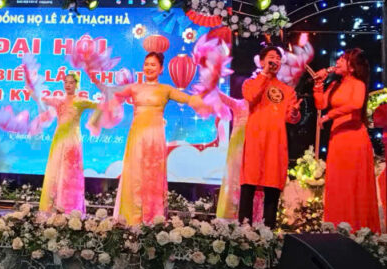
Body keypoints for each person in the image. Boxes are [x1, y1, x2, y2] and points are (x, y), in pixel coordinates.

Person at [100, 52, 210, 226]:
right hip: (137, 137)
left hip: (155, 139)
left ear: (161, 69)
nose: (149, 67)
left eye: (153, 65)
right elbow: (111, 91)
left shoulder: (166, 89)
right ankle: (131, 218)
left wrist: (207, 95)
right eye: (146, 64)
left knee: (153, 176)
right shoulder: (135, 87)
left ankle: (152, 218)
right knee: (134, 174)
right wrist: (94, 74)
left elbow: (189, 99)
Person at [314, 48, 379, 231]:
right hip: (337, 138)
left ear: (351, 67)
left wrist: (330, 115)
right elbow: (321, 103)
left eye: (343, 59)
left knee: (353, 183)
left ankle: (357, 227)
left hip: (354, 137)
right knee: (338, 183)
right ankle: (336, 226)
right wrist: (319, 84)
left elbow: (356, 104)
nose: (338, 62)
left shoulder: (358, 84)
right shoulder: (335, 84)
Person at [239, 47, 301, 227]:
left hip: (276, 143)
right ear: (261, 61)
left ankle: (268, 231)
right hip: (255, 141)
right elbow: (251, 97)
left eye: (278, 58)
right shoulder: (250, 83)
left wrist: (295, 112)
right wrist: (264, 74)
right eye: (271, 57)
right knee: (249, 183)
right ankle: (243, 229)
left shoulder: (287, 90)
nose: (275, 61)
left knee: (272, 184)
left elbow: (291, 118)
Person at [37, 72, 97, 214]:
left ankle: (70, 206)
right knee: (56, 169)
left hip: (73, 141)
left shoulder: (80, 101)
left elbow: (99, 105)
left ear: (77, 84)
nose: (68, 85)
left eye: (71, 82)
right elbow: (42, 99)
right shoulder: (59, 100)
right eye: (66, 82)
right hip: (59, 139)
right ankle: (53, 204)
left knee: (70, 172)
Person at [214, 90, 248, 221]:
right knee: (234, 177)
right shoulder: (240, 104)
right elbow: (224, 98)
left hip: (254, 146)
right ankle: (231, 214)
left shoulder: (262, 108)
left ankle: (251, 216)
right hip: (238, 147)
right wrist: (211, 83)